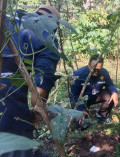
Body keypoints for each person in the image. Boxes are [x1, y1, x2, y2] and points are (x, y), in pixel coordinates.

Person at [0, 5, 61, 157]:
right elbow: (39, 94)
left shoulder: (8, 19)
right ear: (55, 24)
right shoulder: (48, 37)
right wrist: (35, 115)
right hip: (7, 108)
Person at [70, 54, 118, 123]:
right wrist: (81, 109)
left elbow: (110, 85)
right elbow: (73, 95)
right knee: (81, 124)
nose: (96, 72)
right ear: (88, 65)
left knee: (112, 95)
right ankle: (84, 113)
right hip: (83, 100)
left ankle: (101, 115)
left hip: (97, 96)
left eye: (98, 70)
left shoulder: (104, 73)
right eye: (93, 69)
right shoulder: (78, 74)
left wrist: (114, 92)